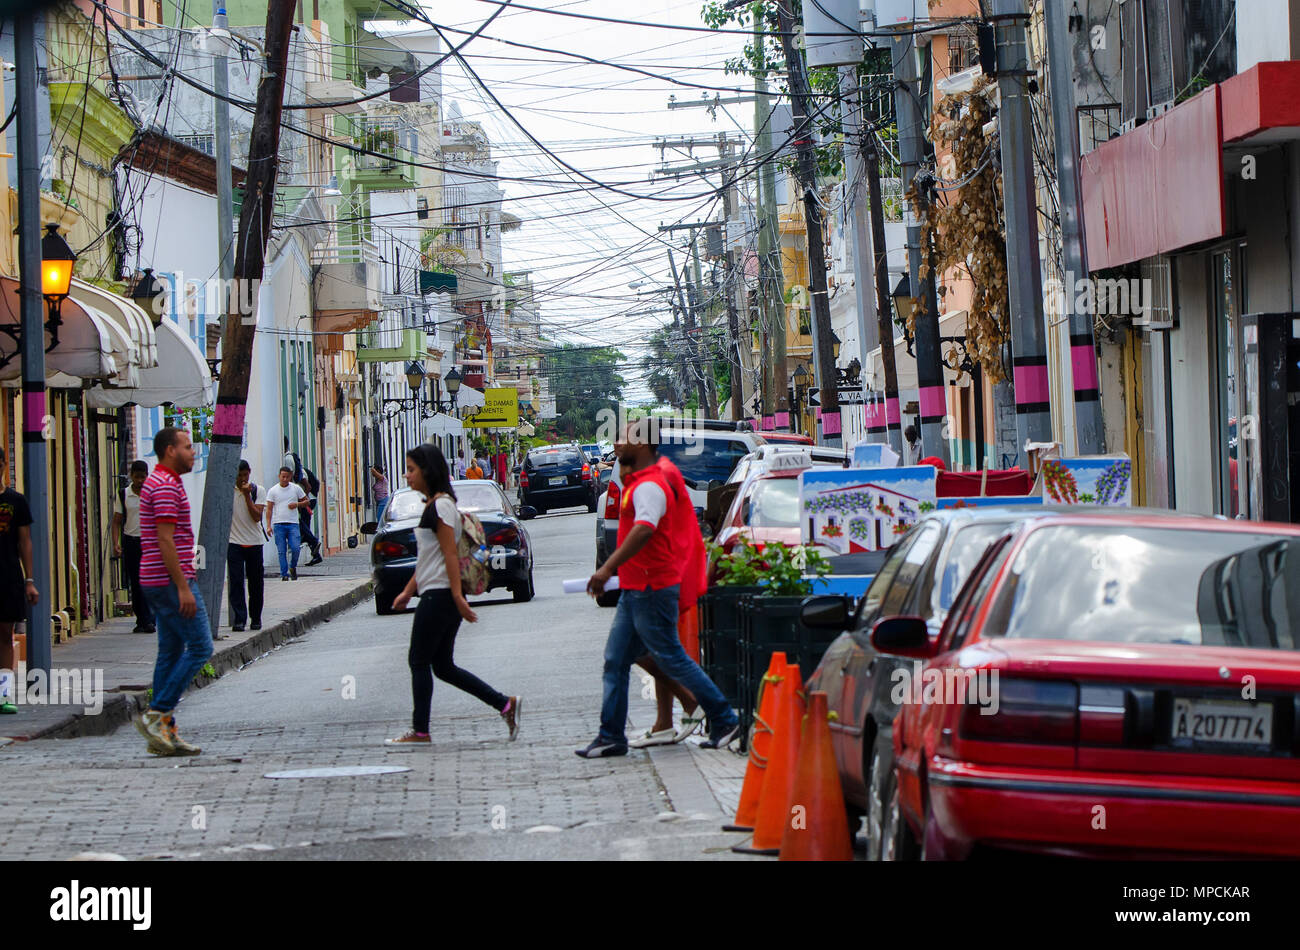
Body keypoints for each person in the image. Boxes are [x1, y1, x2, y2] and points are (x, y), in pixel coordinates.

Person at [578, 420, 741, 758]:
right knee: (617, 659)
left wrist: (606, 568)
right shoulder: (638, 480)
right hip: (638, 586)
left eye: (624, 437)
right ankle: (611, 734)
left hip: (651, 586)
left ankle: (723, 717)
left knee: (670, 657)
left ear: (643, 445)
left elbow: (644, 530)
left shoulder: (650, 485)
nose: (618, 442)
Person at [385, 443, 520, 746]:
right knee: (443, 666)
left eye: (411, 469)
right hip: (437, 593)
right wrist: (407, 592)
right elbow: (428, 558)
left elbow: (449, 554)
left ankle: (420, 731)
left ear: (427, 471)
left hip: (440, 595)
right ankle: (505, 704)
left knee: (418, 661)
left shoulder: (441, 506)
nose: (407, 476)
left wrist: (458, 597)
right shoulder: (437, 505)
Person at [134, 427, 209, 756]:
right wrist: (183, 587)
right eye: (187, 447)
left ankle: (164, 731)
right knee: (201, 647)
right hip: (168, 580)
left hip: (157, 578)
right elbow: (165, 540)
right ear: (169, 451)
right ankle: (157, 712)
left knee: (170, 651)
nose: (193, 452)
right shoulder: (164, 485)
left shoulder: (165, 482)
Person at [629, 450, 709, 747]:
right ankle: (665, 721)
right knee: (656, 649)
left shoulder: (659, 477)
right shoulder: (658, 474)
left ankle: (708, 709)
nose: (617, 447)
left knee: (653, 650)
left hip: (663, 577)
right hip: (661, 575)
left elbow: (650, 528)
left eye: (624, 441)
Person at [0, 447, 38, 715]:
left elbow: (25, 541)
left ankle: (2, 694)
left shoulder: (16, 501)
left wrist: (30, 579)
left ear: (3, 465)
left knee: (5, 635)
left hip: (8, 576)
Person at [112, 460, 154, 633]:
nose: (140, 481)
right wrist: (116, 543)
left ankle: (150, 619)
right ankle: (141, 620)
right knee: (136, 583)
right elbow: (116, 521)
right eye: (137, 477)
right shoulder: (124, 494)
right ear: (131, 476)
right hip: (131, 542)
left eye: (143, 477)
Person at [227, 460, 266, 633]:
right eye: (239, 476)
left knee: (255, 583)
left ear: (249, 473)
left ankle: (256, 618)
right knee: (235, 583)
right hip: (234, 542)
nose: (242, 479)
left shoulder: (258, 491)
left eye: (245, 475)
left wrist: (247, 495)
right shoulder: (227, 492)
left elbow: (257, 517)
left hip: (254, 542)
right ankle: (239, 619)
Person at [265, 466, 307, 581]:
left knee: (295, 548)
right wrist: (268, 526)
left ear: (290, 477)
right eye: (283, 476)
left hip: (293, 523)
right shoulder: (273, 491)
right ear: (279, 476)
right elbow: (269, 509)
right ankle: (284, 574)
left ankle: (292, 566)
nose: (285, 479)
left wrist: (297, 505)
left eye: (287, 477)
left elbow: (306, 501)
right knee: (281, 550)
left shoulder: (295, 488)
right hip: (278, 524)